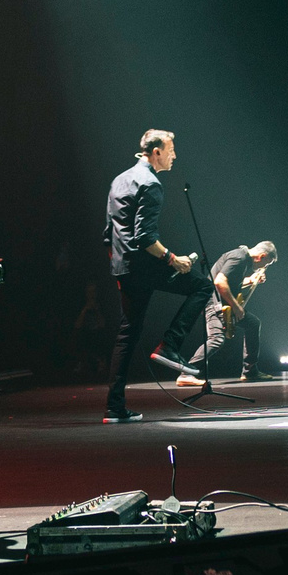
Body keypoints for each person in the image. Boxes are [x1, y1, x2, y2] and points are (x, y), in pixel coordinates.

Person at [102, 129, 196, 423]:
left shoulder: (119, 179)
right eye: (171, 150)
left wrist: (121, 266)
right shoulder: (151, 183)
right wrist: (173, 259)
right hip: (143, 268)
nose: (174, 155)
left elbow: (109, 235)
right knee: (203, 287)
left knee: (127, 335)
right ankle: (170, 346)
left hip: (123, 268)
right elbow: (144, 237)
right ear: (156, 152)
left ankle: (114, 408)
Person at [181, 240, 276, 384]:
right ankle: (186, 373)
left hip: (221, 302)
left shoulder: (243, 259)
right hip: (213, 302)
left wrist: (250, 280)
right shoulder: (240, 257)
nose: (264, 267)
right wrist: (237, 307)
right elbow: (219, 282)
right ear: (261, 256)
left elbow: (229, 281)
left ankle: (250, 371)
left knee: (253, 323)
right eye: (267, 263)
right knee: (217, 338)